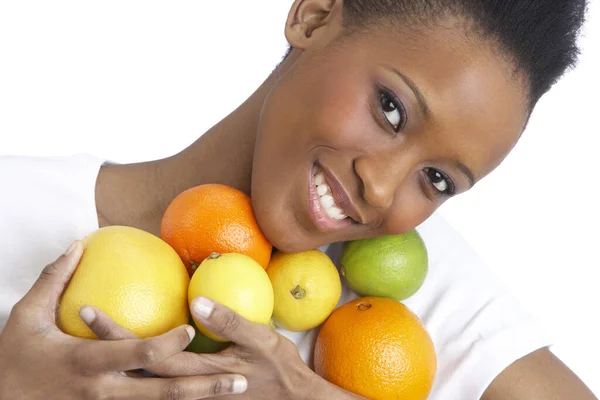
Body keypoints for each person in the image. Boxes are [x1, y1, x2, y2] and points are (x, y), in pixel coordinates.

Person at [0, 0, 597, 398]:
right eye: (391, 109)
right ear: (312, 19)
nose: (383, 190)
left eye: (438, 180)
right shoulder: (15, 206)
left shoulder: (416, 292)